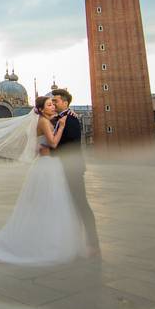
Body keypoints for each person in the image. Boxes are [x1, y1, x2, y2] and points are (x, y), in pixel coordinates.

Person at [0, 96, 86, 265]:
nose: (53, 106)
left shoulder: (44, 119)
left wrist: (66, 115)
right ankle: (46, 242)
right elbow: (53, 143)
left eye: (54, 104)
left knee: (49, 205)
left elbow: (54, 125)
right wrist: (60, 126)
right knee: (49, 204)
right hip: (47, 168)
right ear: (40, 108)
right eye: (49, 104)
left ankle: (47, 239)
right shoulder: (44, 122)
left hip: (48, 166)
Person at [47, 88, 100, 255]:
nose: (53, 104)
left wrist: (50, 151)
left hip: (72, 168)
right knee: (68, 205)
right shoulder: (61, 119)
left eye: (55, 101)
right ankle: (70, 241)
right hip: (62, 168)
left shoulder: (71, 119)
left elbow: (71, 146)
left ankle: (93, 244)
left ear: (65, 102)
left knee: (81, 205)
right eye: (52, 101)